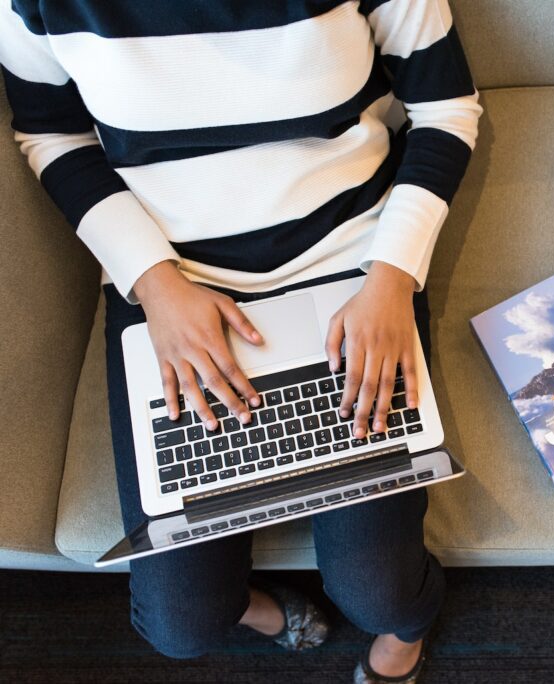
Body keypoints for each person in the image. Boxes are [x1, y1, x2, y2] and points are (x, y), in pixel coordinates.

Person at [1, 1, 481, 680]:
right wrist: (156, 285)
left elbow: (445, 109)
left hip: (352, 268)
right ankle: (260, 609)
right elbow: (51, 134)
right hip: (171, 284)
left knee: (381, 590)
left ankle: (407, 631)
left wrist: (394, 278)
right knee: (181, 624)